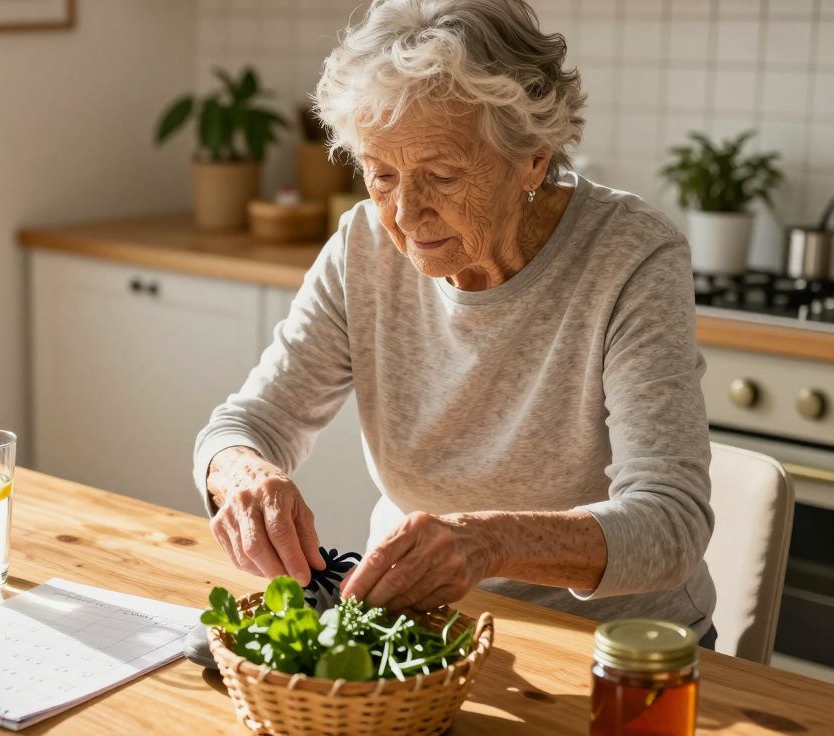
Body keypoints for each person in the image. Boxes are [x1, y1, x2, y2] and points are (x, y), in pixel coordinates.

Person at [192, 0, 716, 642]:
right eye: (380, 175)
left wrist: (485, 544)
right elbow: (246, 424)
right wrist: (244, 474)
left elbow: (672, 523)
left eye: (441, 175)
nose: (407, 214)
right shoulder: (363, 246)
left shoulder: (631, 256)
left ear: (532, 156)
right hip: (423, 632)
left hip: (612, 646)